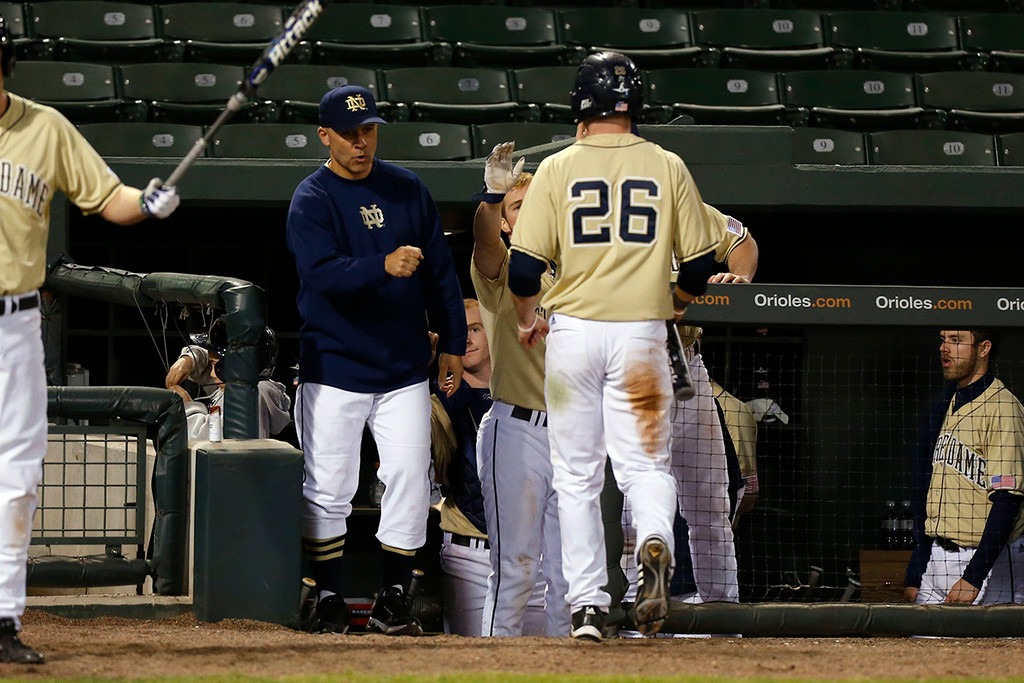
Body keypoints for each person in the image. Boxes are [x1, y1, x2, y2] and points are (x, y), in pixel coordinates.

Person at [507, 51, 722, 641]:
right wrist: (677, 301)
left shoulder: (555, 167)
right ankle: (655, 538)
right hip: (644, 338)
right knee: (646, 466)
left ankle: (586, 609)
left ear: (581, 105)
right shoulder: (668, 163)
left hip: (571, 337)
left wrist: (528, 317)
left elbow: (523, 270)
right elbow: (702, 263)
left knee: (576, 476)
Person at [0, 14, 179, 664]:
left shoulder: (44, 127)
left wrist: (149, 201)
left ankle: (1, 618)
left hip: (15, 323)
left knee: (16, 475)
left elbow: (109, 199)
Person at [286, 84, 467, 637]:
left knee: (411, 477)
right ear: (325, 136)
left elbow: (440, 273)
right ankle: (328, 596)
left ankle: (394, 595)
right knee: (330, 484)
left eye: (368, 131)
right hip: (335, 364)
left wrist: (454, 342)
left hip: (403, 364)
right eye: (349, 133)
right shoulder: (311, 197)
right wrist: (381, 265)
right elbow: (319, 275)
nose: (361, 142)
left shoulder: (407, 187)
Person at [470, 150, 570, 638]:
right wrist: (492, 198)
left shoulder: (578, 267)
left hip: (576, 435)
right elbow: (484, 245)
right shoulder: (505, 268)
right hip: (518, 431)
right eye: (516, 207)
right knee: (516, 569)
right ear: (507, 224)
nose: (526, 212)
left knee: (570, 578)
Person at [431, 299, 548, 636]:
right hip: (472, 559)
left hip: (540, 558)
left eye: (474, 329)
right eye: (457, 332)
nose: (465, 339)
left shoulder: (536, 393)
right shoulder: (438, 402)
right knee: (479, 666)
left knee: (552, 664)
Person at [903, 329, 1024, 605]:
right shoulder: (944, 404)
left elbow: (1007, 501)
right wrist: (916, 571)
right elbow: (927, 494)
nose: (944, 348)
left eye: (956, 341)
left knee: (991, 648)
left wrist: (974, 576)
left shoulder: (1004, 408)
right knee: (919, 648)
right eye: (943, 340)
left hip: (989, 563)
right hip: (937, 558)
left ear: (984, 349)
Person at [164, 320, 291, 440]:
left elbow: (205, 439)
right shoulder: (243, 385)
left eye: (214, 365)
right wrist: (189, 359)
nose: (212, 374)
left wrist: (187, 407)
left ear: (234, 367)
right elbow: (212, 355)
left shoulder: (254, 396)